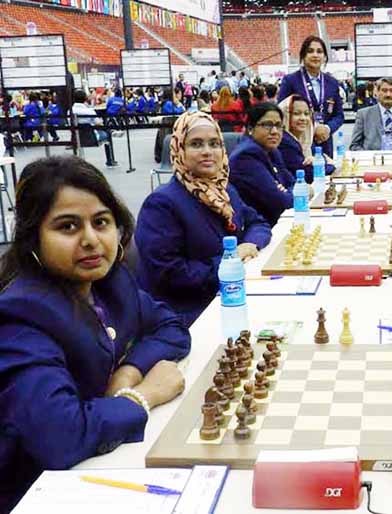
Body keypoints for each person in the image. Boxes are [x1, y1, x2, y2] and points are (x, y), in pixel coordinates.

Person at [0, 155, 190, 512]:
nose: (90, 239)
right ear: (32, 239)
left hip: (106, 460)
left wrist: (129, 371)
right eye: (68, 227)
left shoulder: (110, 282)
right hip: (40, 491)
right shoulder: (20, 316)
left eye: (101, 222)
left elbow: (173, 327)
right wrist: (144, 395)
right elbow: (59, 435)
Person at [136, 111, 271, 327]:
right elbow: (170, 274)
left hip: (229, 296)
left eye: (214, 144)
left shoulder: (225, 191)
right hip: (187, 314)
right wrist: (231, 260)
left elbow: (258, 223)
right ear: (179, 150)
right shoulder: (161, 204)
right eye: (196, 144)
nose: (208, 152)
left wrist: (250, 243)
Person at [277, 36, 344, 158]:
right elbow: (281, 112)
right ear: (303, 56)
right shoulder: (290, 81)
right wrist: (313, 128)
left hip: (325, 141)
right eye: (310, 51)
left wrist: (327, 128)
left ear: (324, 57)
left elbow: (339, 115)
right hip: (299, 142)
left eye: (319, 51)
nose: (315, 55)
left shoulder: (332, 83)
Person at [229, 103, 295, 227]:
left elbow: (292, 181)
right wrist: (292, 192)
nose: (275, 131)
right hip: (259, 228)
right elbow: (283, 202)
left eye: (278, 126)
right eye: (267, 125)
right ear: (250, 128)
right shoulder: (246, 156)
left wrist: (288, 191)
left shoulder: (272, 151)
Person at [278, 94, 335, 183]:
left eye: (306, 114)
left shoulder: (306, 139)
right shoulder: (285, 141)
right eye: (296, 114)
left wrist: (319, 162)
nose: (303, 118)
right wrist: (329, 165)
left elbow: (319, 158)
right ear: (285, 115)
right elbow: (309, 175)